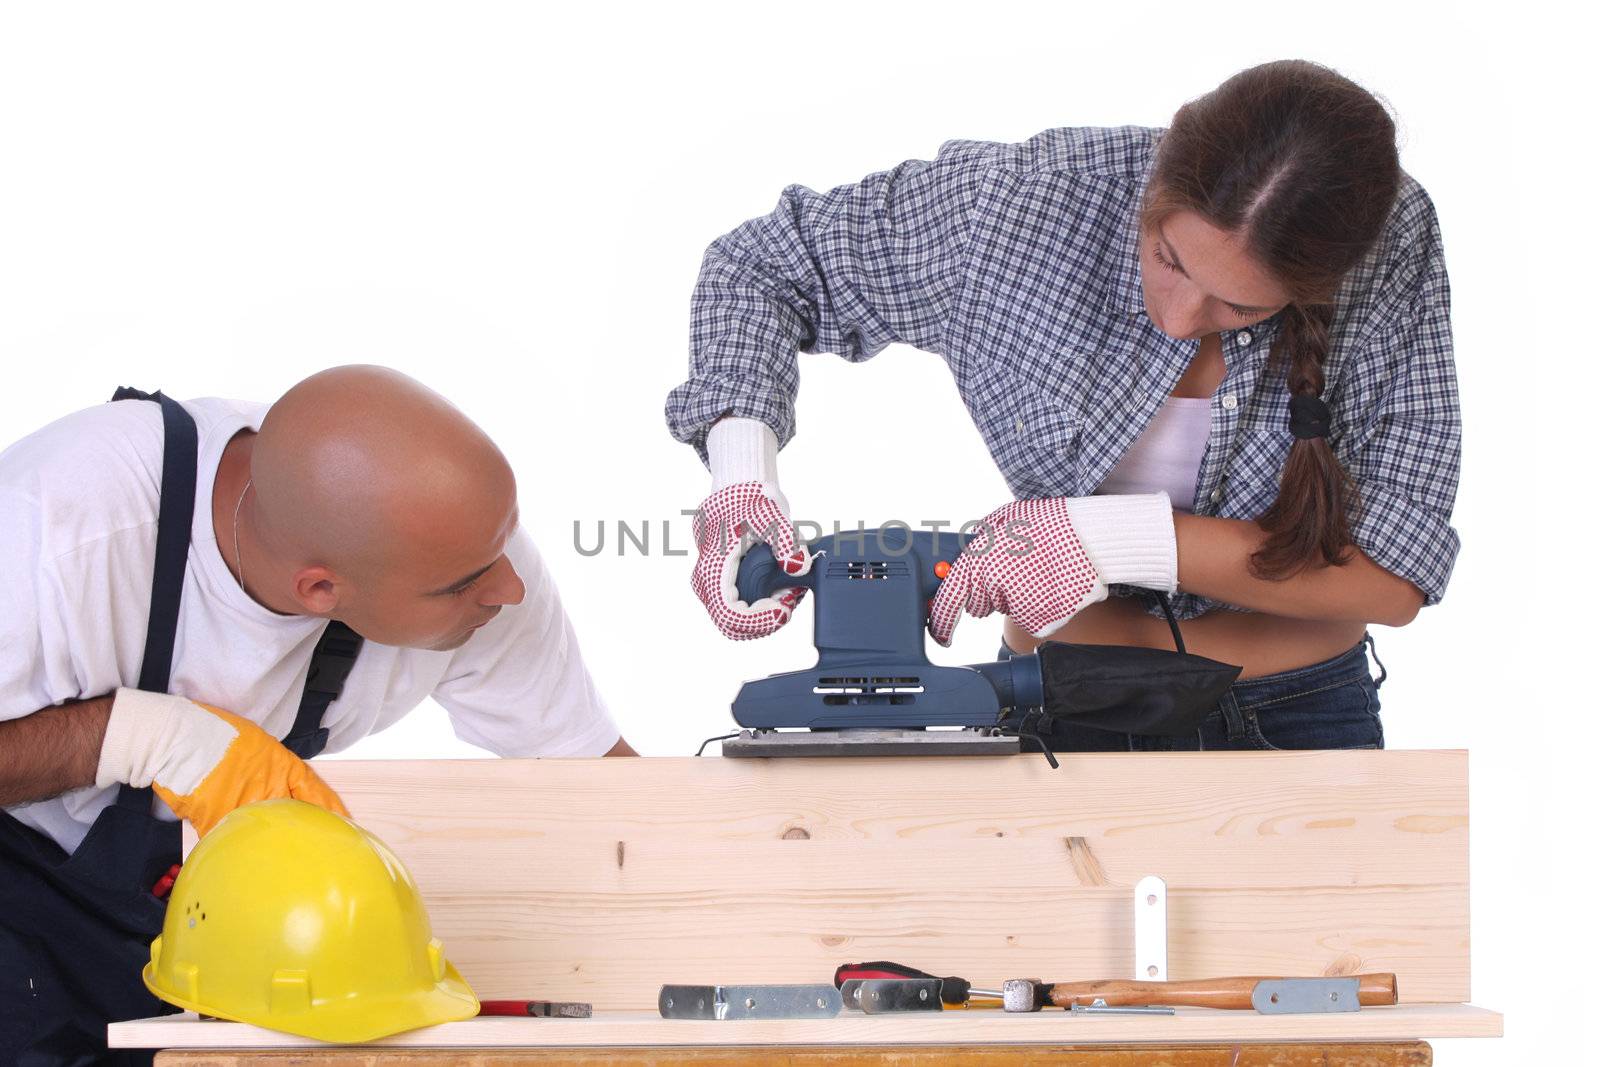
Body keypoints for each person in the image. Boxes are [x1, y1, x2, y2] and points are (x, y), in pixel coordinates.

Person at [667, 59, 1459, 752]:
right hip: (1060, 710)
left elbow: (1391, 578)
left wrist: (1103, 536)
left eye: (1241, 309)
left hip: (1301, 713)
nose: (1180, 318)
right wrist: (743, 475)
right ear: (1163, 165)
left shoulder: (1390, 241)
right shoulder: (1021, 206)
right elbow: (763, 268)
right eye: (1169, 259)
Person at [0, 365, 634, 1065]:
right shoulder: (53, 528)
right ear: (320, 589)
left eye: (504, 549)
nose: (510, 589)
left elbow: (608, 793)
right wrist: (153, 739)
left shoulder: (455, 546)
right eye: (465, 584)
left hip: (217, 939)